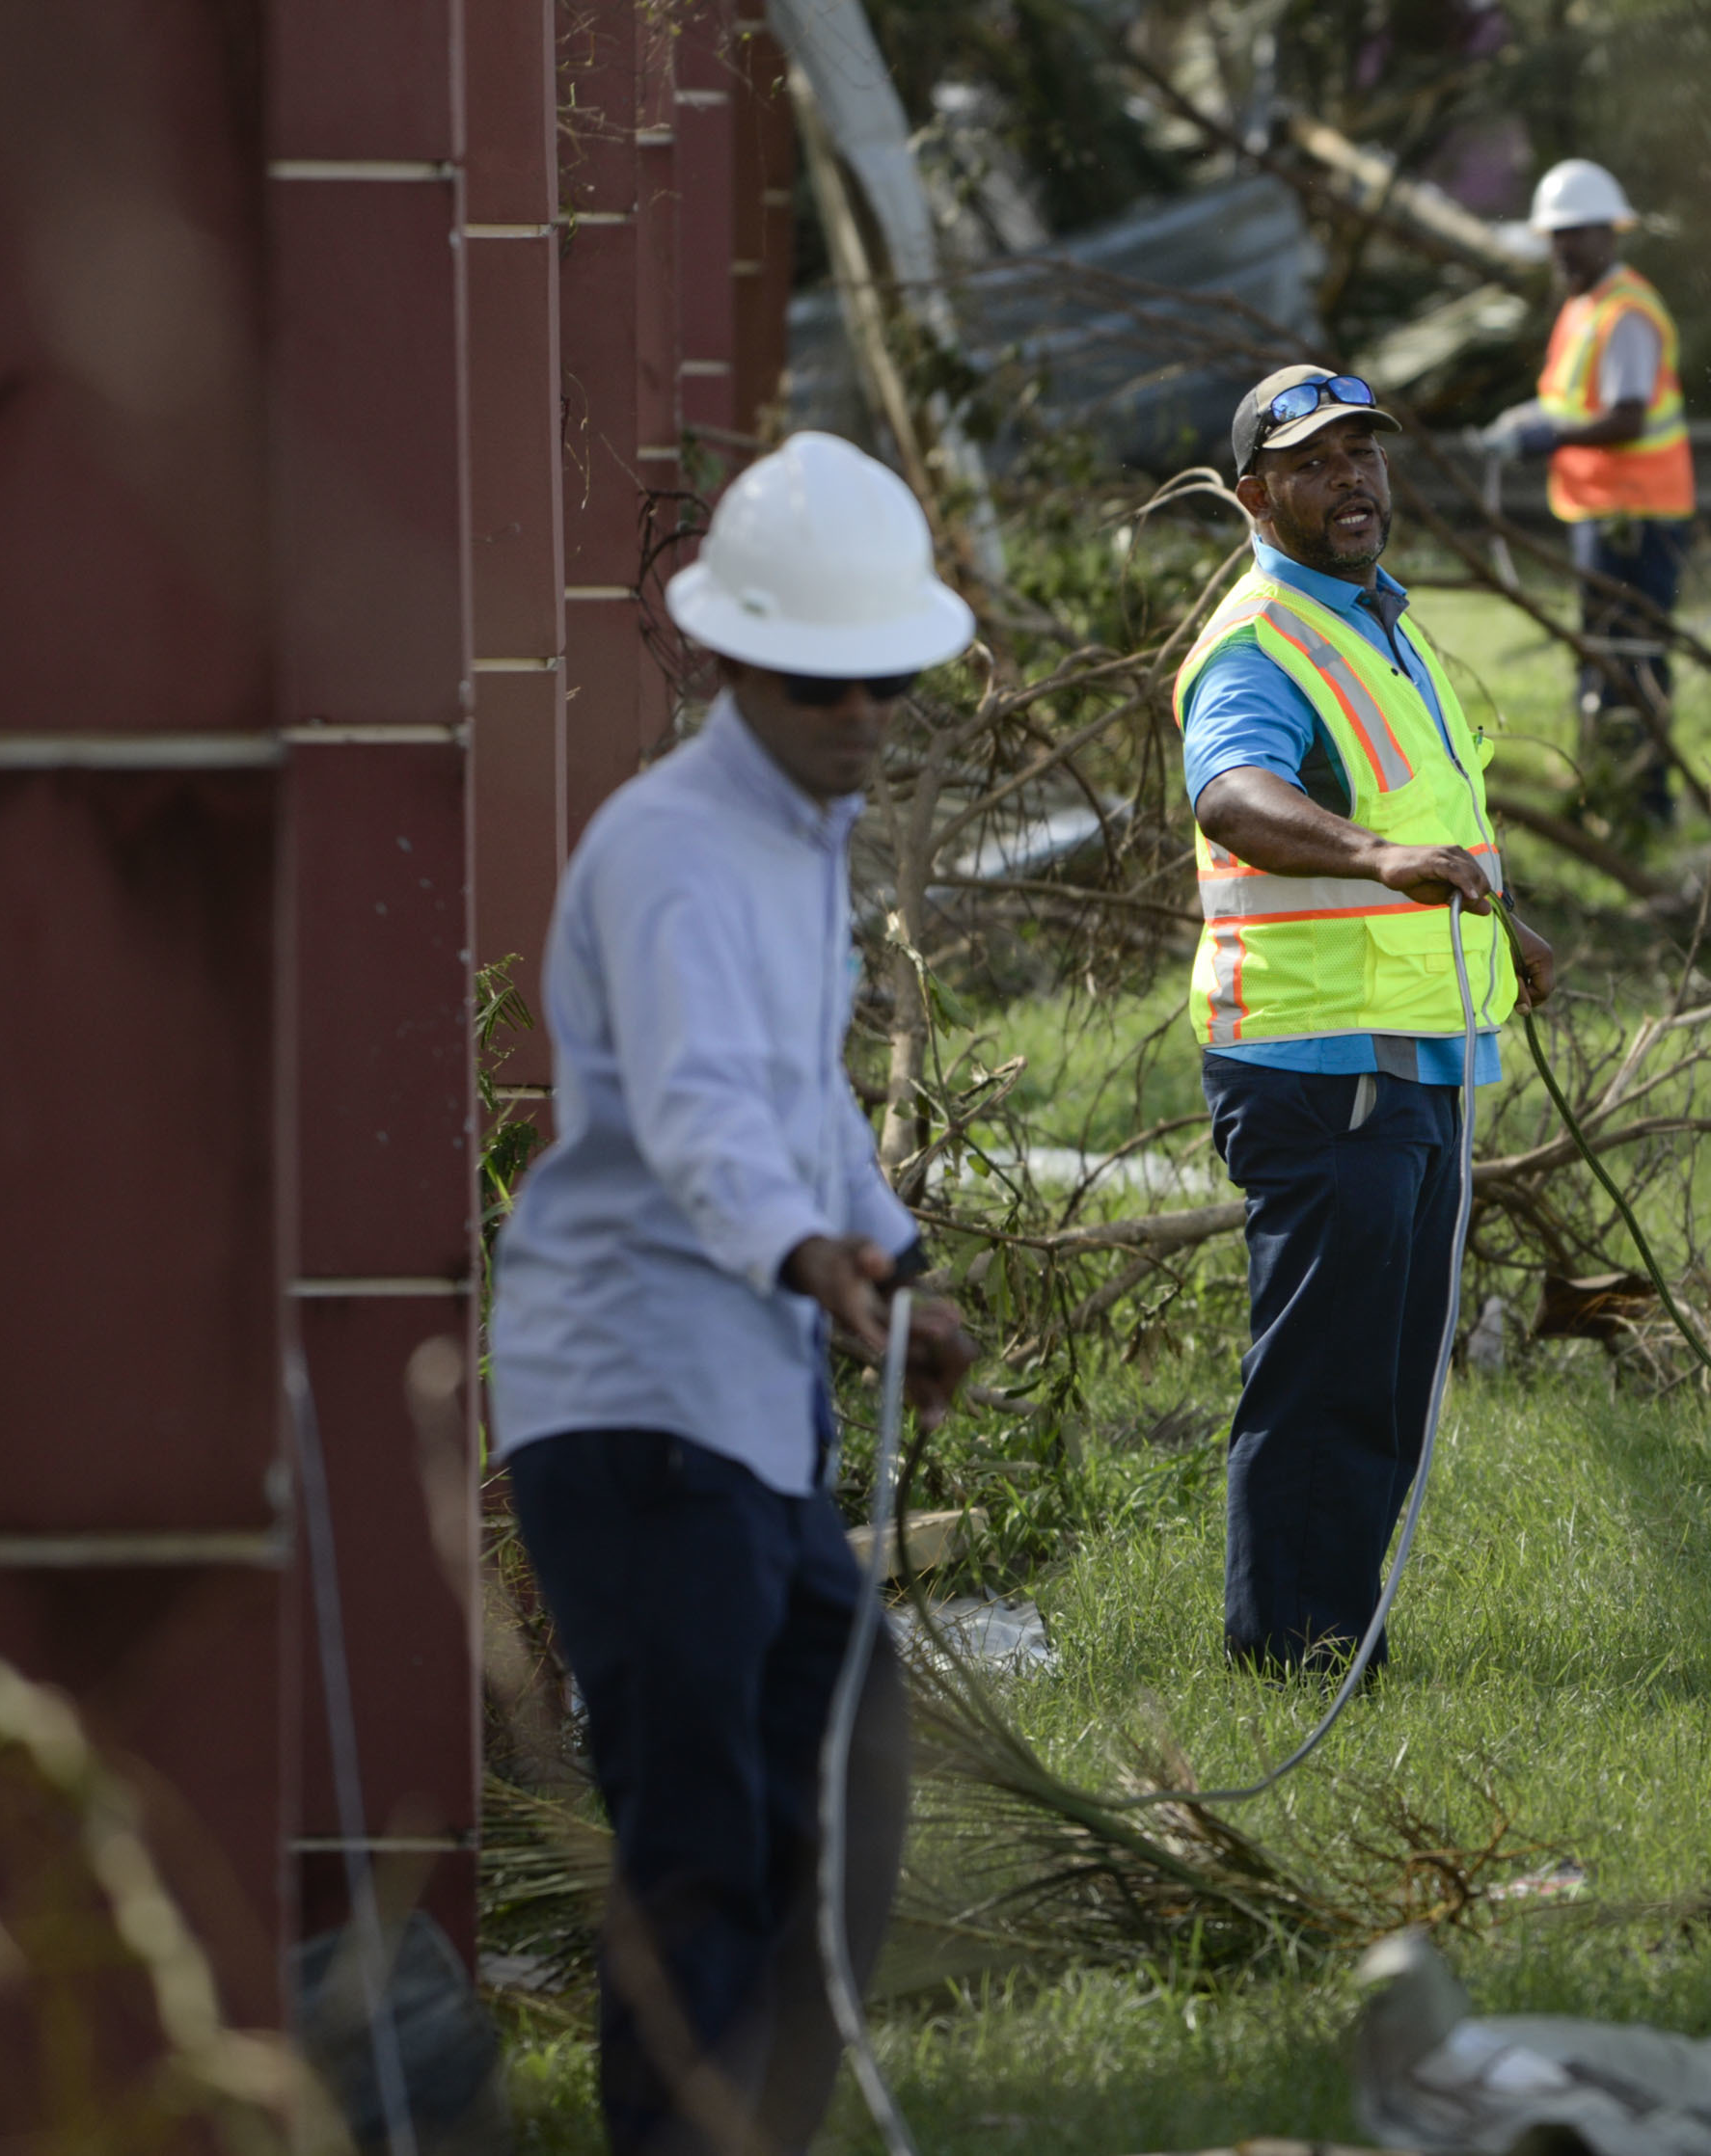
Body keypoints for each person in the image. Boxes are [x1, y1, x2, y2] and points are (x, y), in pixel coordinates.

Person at [486, 431, 979, 2154]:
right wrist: (810, 1259)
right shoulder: (671, 850)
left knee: (840, 1791)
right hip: (631, 1400)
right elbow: (698, 1112)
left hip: (744, 1401)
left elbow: (808, 1097)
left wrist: (889, 1258)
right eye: (824, 684)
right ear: (737, 663)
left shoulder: (803, 837)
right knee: (703, 1832)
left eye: (888, 685)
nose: (863, 718)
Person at [1180, 364, 1561, 1673]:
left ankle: (1334, 1633)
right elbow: (1233, 796)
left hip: (1414, 1058)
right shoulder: (1260, 642)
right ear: (1254, 496)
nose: (1352, 482)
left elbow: (1433, 823)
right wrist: (1378, 857)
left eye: (1365, 457)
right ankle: (1291, 1651)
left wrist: (1507, 934)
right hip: (1317, 1063)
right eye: (1315, 463)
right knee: (1330, 1374)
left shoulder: (1376, 623)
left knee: (1391, 1370)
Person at [1482, 157, 1697, 825]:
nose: (1563, 246)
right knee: (1600, 656)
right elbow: (1570, 398)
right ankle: (1601, 790)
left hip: (1637, 516)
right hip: (1603, 511)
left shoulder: (1625, 312)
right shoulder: (1585, 306)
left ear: (1610, 232)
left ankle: (1646, 802)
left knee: (1631, 660)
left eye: (1575, 232)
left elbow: (1628, 417)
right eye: (1557, 234)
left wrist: (1548, 439)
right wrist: (1531, 418)